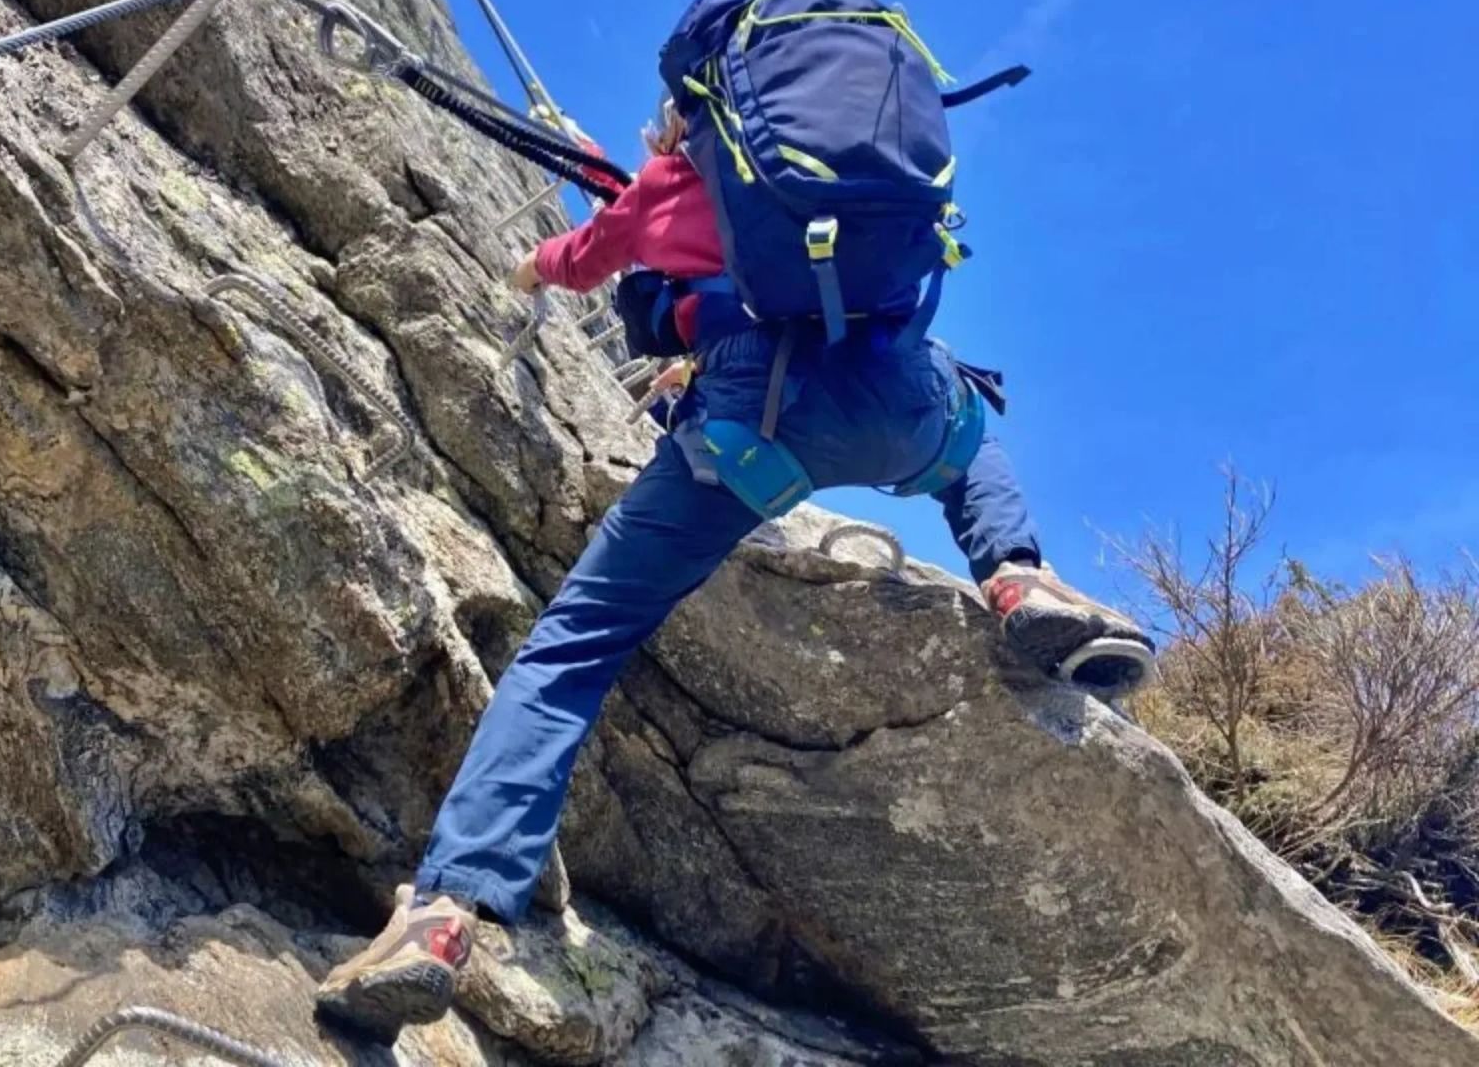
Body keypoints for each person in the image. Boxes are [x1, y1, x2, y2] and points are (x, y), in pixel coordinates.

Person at [313, 96, 1154, 1042]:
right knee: (969, 432)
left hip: (751, 426)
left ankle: (446, 912)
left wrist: (529, 266)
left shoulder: (666, 186)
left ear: (680, 125)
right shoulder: (836, 187)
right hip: (899, 390)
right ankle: (1018, 575)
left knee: (572, 651)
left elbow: (576, 261)